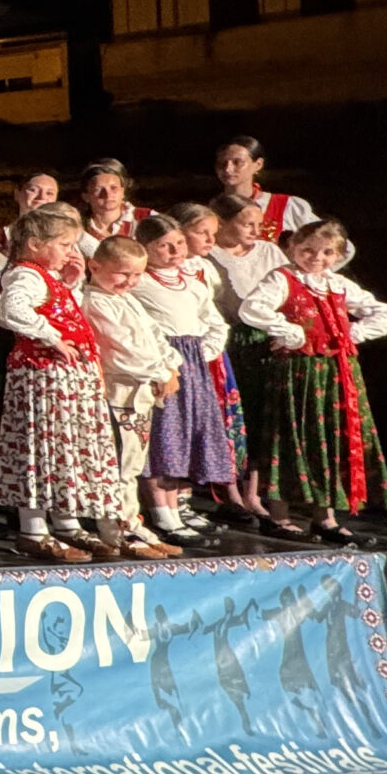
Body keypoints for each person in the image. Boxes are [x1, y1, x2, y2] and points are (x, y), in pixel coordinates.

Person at [239, 219, 387, 544]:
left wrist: (353, 333)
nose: (316, 258)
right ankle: (279, 516)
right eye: (308, 250)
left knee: (330, 439)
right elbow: (252, 309)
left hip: (336, 372)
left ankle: (325, 517)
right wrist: (289, 331)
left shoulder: (338, 284)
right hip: (298, 371)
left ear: (337, 256)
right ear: (293, 248)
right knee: (291, 436)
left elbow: (382, 313)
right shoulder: (282, 278)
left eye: (326, 252)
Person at [0, 203, 126, 562]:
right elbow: (14, 309)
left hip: (64, 378)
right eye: (64, 245)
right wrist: (51, 336)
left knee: (63, 451)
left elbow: (62, 311)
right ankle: (33, 529)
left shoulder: (46, 277)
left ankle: (66, 522)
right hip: (43, 375)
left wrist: (70, 283)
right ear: (35, 244)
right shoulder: (26, 274)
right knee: (40, 448)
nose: (70, 252)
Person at [132, 214, 237, 543]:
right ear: (145, 248)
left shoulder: (192, 283)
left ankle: (177, 509)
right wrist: (163, 359)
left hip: (192, 365)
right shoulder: (139, 283)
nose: (175, 250)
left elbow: (215, 322)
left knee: (186, 436)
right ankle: (160, 513)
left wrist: (203, 352)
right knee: (162, 437)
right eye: (164, 245)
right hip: (161, 363)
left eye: (178, 243)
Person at [82, 235, 186, 558]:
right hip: (118, 393)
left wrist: (170, 365)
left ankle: (131, 521)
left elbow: (155, 336)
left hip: (140, 394)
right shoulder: (96, 302)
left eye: (137, 275)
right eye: (122, 273)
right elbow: (121, 349)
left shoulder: (127, 300)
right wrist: (159, 371)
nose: (129, 281)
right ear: (94, 266)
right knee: (118, 465)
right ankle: (116, 530)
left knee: (132, 464)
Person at [204, 192, 292, 531]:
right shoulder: (209, 255)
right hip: (225, 339)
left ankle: (252, 493)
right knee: (228, 416)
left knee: (257, 416)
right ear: (222, 223)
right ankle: (229, 493)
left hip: (261, 340)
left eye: (259, 224)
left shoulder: (269, 252)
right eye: (247, 224)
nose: (256, 231)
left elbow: (284, 292)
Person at [213, 134, 316, 243]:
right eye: (222, 163)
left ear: (258, 164)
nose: (228, 169)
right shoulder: (212, 211)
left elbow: (324, 238)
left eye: (237, 162)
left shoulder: (287, 207)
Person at [74, 160, 143, 255]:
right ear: (85, 196)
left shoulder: (145, 218)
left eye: (113, 188)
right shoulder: (75, 227)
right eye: (98, 189)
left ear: (123, 192)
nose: (107, 194)